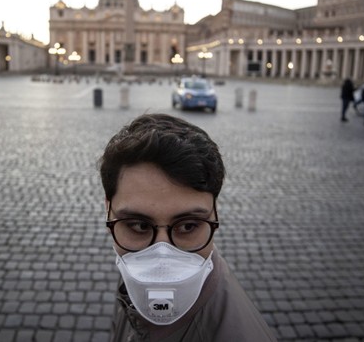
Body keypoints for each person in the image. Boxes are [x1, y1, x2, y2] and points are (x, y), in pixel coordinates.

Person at [99, 113, 277, 342]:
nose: (161, 256)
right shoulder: (128, 279)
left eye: (188, 226)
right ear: (108, 209)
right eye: (139, 225)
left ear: (214, 213)